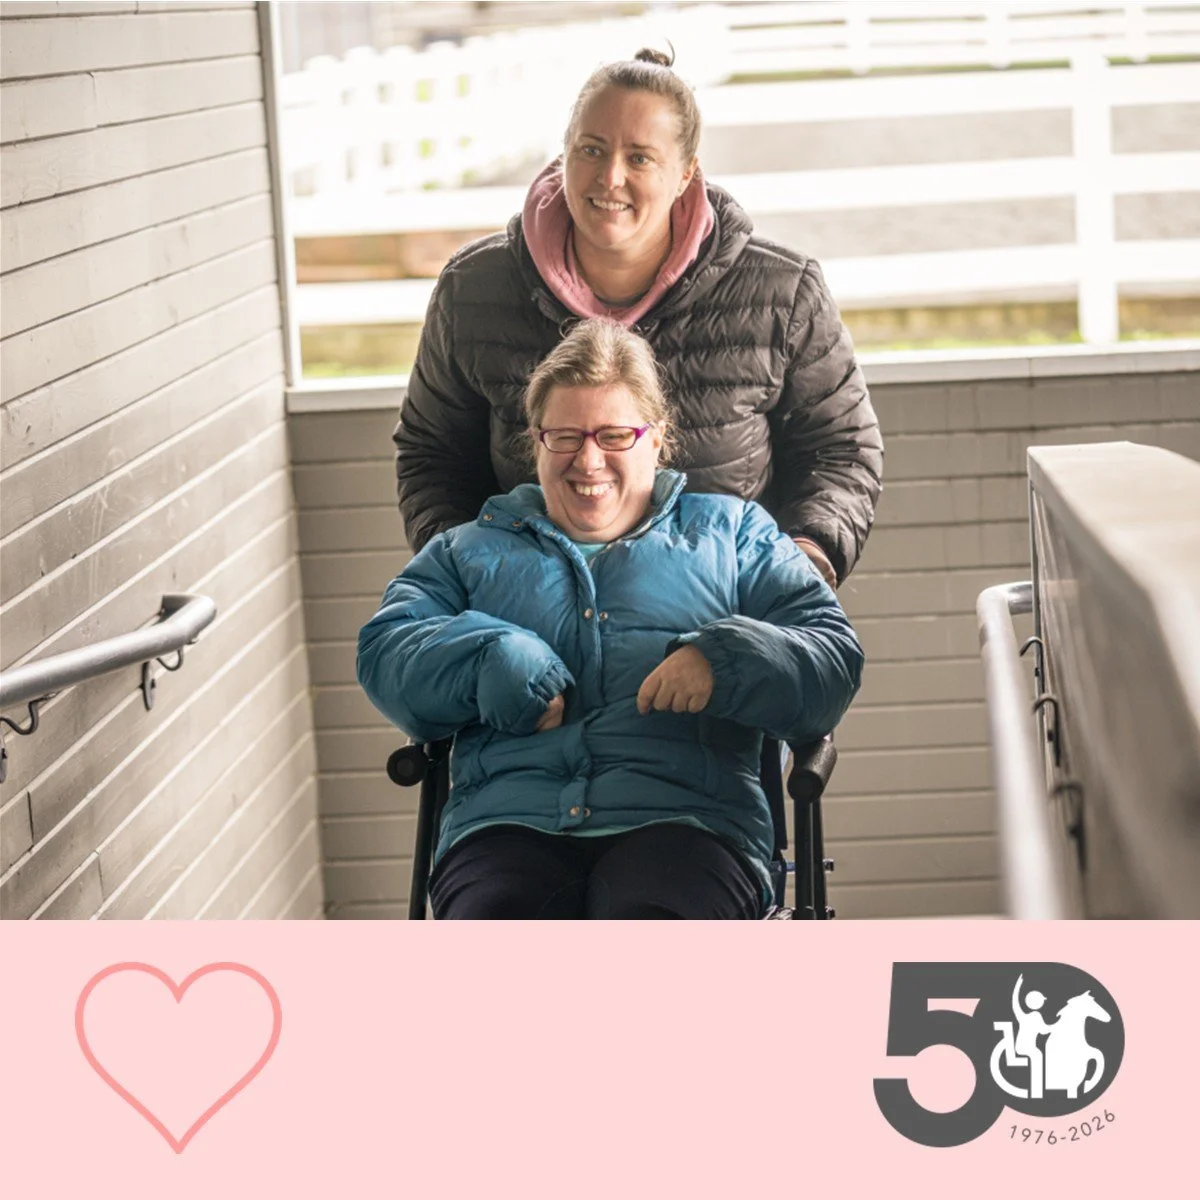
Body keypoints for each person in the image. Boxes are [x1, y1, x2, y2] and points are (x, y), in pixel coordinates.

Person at [359, 320, 863, 919]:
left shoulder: (734, 536)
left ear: (657, 439)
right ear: (536, 442)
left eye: (615, 435)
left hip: (690, 826)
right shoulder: (466, 550)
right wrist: (488, 658)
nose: (588, 459)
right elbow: (386, 652)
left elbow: (831, 657)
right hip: (505, 827)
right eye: (564, 436)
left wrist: (724, 661)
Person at [394, 47, 883, 591]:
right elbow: (432, 454)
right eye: (591, 149)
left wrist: (800, 561)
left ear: (686, 173)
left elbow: (840, 450)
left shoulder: (783, 293)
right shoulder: (474, 289)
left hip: (727, 607)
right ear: (564, 153)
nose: (610, 177)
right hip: (530, 615)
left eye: (641, 158)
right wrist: (474, 573)